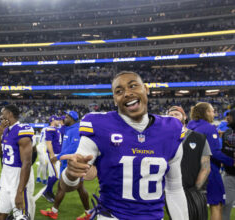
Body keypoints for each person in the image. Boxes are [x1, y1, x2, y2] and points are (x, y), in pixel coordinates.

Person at [60, 71, 188, 219]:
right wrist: (71, 174)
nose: (127, 93)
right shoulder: (98, 125)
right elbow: (67, 186)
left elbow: (175, 188)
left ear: (146, 89)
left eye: (133, 86)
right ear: (115, 99)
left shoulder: (170, 129)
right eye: (119, 91)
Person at [187, 102, 235, 220]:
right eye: (213, 111)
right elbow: (214, 152)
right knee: (217, 205)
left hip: (192, 172)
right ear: (207, 112)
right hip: (210, 171)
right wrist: (231, 161)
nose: (215, 113)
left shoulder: (190, 127)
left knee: (196, 205)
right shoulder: (209, 128)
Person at [40, 111, 91, 220]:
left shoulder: (76, 130)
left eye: (67, 117)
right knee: (67, 187)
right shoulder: (69, 129)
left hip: (73, 164)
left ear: (72, 119)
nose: (64, 119)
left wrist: (58, 157)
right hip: (67, 163)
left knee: (75, 187)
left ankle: (87, 213)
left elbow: (73, 148)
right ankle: (55, 211)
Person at [167, 106, 211, 220]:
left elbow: (206, 167)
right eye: (170, 115)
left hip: (194, 190)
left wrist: (196, 189)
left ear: (185, 117)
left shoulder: (199, 138)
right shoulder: (164, 139)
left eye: (176, 114)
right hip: (172, 192)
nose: (173, 117)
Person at [0, 104, 35, 220]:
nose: (1, 116)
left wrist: (20, 191)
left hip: (19, 178)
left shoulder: (22, 130)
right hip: (6, 178)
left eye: (3, 113)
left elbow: (26, 163)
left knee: (21, 217)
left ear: (9, 114)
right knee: (0, 214)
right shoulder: (5, 130)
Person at [42, 115, 63, 203]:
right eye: (57, 120)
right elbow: (49, 143)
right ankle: (46, 192)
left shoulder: (56, 129)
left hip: (57, 154)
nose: (59, 121)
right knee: (56, 175)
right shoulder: (50, 129)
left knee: (52, 175)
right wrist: (52, 155)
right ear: (53, 120)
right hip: (54, 154)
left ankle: (49, 192)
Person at [221, 109, 235, 220]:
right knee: (225, 205)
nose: (227, 118)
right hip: (229, 174)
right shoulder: (227, 132)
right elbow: (223, 150)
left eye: (230, 116)